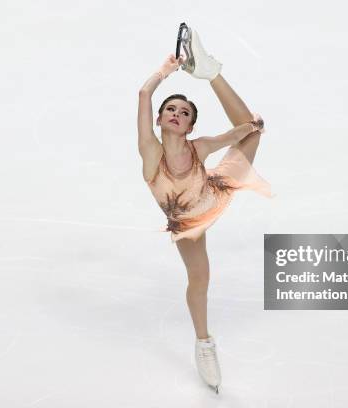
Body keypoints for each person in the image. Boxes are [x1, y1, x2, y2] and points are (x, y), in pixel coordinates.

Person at [137, 26, 272, 394]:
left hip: (215, 193)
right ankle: (203, 342)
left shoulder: (199, 147)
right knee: (200, 280)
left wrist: (250, 126)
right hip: (190, 223)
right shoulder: (151, 153)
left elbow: (242, 131)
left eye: (184, 111)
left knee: (255, 130)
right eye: (170, 110)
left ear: (191, 124)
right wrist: (165, 70)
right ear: (159, 120)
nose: (176, 113)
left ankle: (211, 71)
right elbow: (144, 92)